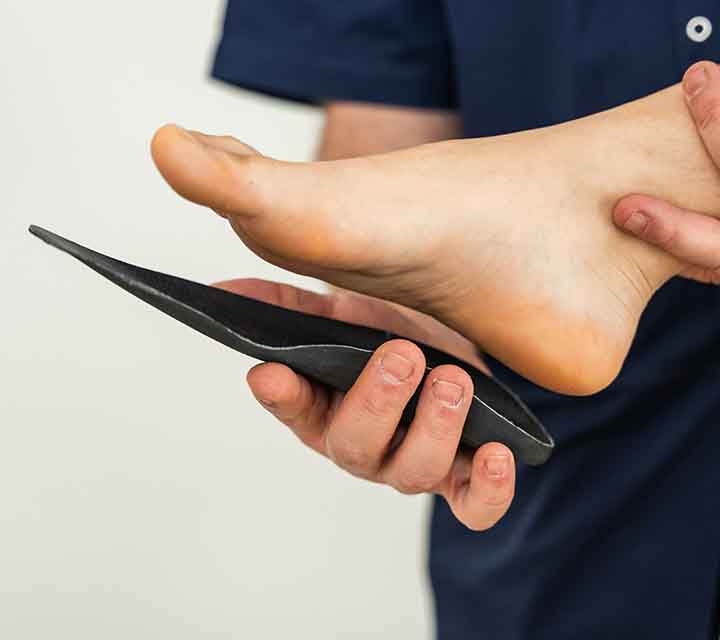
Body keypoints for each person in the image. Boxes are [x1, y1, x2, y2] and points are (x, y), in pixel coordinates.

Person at [155, 4, 720, 638]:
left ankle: (592, 201)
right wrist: (405, 303)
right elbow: (385, 81)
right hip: (579, 531)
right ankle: (567, 229)